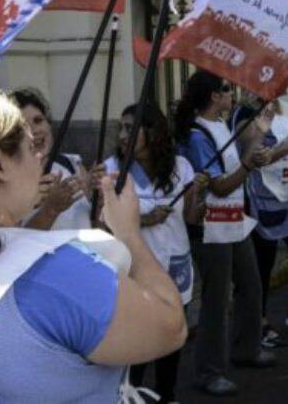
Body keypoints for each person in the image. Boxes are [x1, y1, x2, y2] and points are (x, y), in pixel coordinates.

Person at [0, 91, 187, 402]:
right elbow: (172, 326)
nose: (40, 156)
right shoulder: (54, 272)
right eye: (30, 148)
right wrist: (129, 234)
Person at [100, 103, 209, 404]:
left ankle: (167, 396)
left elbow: (191, 218)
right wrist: (145, 220)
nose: (122, 135)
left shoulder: (181, 168)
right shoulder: (112, 169)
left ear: (153, 132)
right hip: (133, 268)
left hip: (175, 264)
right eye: (121, 128)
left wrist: (199, 194)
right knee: (136, 342)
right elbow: (103, 222)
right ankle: (128, 396)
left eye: (130, 128)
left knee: (172, 336)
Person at [174, 71, 273, 397]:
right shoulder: (198, 136)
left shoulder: (219, 126)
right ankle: (209, 371)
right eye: (227, 90)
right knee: (217, 300)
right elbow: (219, 184)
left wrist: (260, 136)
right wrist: (248, 166)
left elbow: (241, 163)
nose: (233, 95)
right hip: (210, 227)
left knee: (251, 285)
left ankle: (246, 348)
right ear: (214, 97)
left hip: (232, 222)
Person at [233, 96, 288, 348]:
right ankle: (259, 322)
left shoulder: (286, 107)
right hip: (261, 200)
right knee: (263, 264)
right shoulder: (245, 115)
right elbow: (259, 158)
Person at [10, 88, 92, 230]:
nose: (34, 131)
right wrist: (50, 210)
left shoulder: (72, 164)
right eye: (23, 126)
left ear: (48, 123)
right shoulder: (6, 185)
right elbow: (12, 245)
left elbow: (92, 224)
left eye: (38, 120)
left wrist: (101, 203)